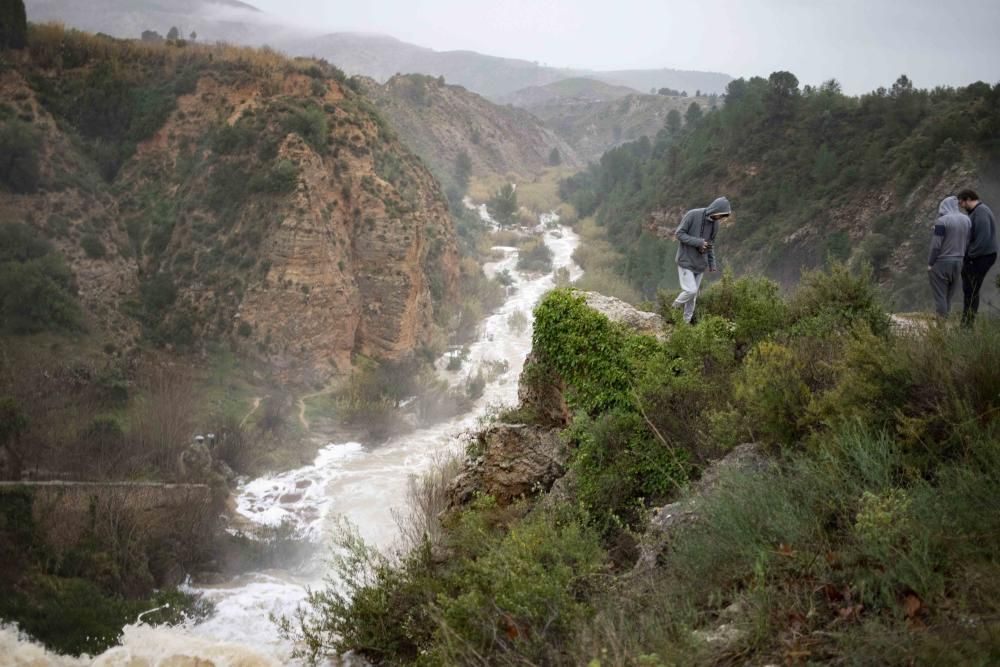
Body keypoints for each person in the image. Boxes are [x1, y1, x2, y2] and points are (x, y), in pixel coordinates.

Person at [672, 196, 731, 323]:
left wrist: (712, 264)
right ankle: (673, 308)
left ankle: (685, 323)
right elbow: (679, 234)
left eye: (723, 216)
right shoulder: (692, 215)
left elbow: (710, 245)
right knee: (691, 291)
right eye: (721, 214)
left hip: (700, 265)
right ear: (715, 209)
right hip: (685, 261)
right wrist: (698, 242)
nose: (721, 218)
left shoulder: (715, 225)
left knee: (693, 298)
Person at [956, 188, 997, 326]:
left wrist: (969, 255)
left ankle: (967, 325)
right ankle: (966, 323)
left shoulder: (981, 212)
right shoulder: (977, 212)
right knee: (970, 289)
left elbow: (983, 239)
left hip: (981, 256)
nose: (961, 207)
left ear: (968, 199)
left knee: (971, 290)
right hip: (980, 256)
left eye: (961, 203)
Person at [928, 196, 970, 318]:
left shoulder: (942, 221)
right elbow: (967, 241)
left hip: (942, 261)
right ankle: (946, 322)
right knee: (949, 295)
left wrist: (931, 263)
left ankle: (941, 324)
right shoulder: (966, 220)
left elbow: (936, 245)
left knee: (940, 294)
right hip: (959, 261)